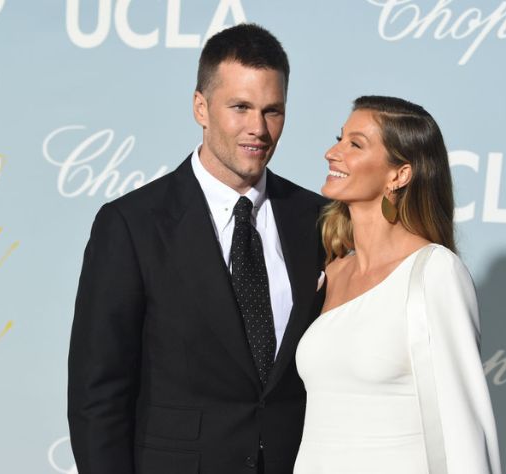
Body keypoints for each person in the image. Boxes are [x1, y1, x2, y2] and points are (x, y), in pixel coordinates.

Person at [68, 24, 327, 474]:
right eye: (240, 107)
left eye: (273, 111)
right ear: (200, 108)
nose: (258, 129)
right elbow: (97, 396)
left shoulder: (318, 219)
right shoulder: (132, 225)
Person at [294, 96, 502, 474]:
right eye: (339, 138)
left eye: (354, 144)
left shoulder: (434, 272)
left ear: (399, 174)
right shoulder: (332, 272)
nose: (331, 152)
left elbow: (464, 425)